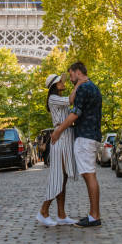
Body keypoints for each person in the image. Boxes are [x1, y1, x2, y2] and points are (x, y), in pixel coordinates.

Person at [51, 62, 102, 228]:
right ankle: (94, 214)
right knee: (90, 174)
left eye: (71, 75)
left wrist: (58, 131)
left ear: (78, 71)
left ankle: (94, 216)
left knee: (89, 174)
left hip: (85, 137)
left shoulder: (83, 89)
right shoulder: (93, 87)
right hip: (93, 135)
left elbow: (75, 113)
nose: (70, 79)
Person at [36, 73, 81, 227]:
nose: (63, 82)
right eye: (61, 81)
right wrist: (79, 83)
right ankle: (43, 211)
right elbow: (70, 99)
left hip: (66, 137)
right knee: (58, 177)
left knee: (64, 178)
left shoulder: (57, 98)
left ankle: (61, 215)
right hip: (60, 137)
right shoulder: (53, 98)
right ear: (55, 85)